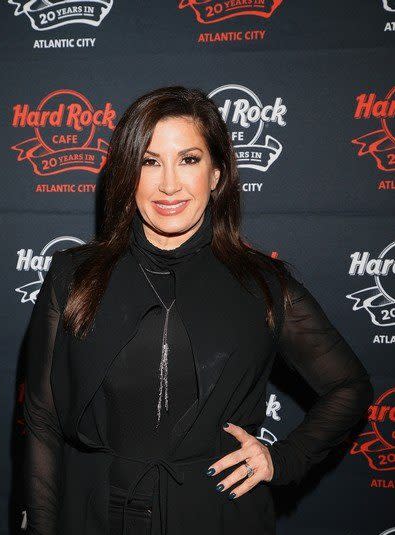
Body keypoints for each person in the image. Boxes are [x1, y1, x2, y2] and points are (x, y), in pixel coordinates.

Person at [22, 86, 374, 535]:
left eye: (188, 159)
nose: (169, 183)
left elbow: (350, 385)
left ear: (217, 175)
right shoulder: (74, 276)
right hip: (94, 513)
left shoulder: (264, 285)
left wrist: (282, 458)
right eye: (150, 162)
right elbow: (42, 422)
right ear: (127, 174)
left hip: (218, 515)